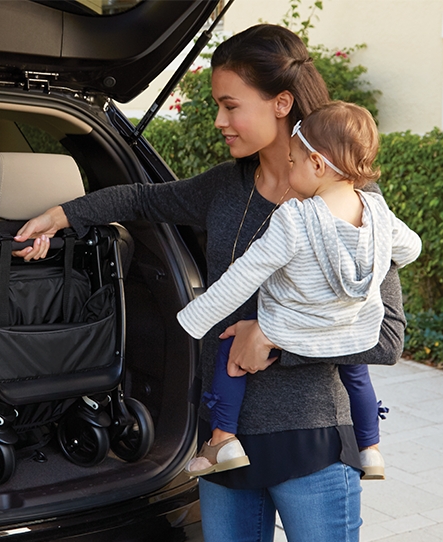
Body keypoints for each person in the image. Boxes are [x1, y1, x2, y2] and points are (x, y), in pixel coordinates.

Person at [14, 24, 407, 542]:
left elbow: (387, 339)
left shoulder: (353, 203)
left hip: (309, 443)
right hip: (223, 443)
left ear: (281, 102)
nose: (220, 121)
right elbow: (141, 199)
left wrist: (270, 338)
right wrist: (63, 215)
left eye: (230, 105)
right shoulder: (226, 188)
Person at [176, 101, 421, 479]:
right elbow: (412, 248)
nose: (288, 169)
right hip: (352, 330)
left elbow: (245, 274)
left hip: (291, 328)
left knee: (231, 348)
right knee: (356, 374)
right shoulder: (376, 213)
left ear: (318, 165)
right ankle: (371, 448)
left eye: (293, 161)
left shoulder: (295, 218)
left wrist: (196, 318)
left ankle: (222, 441)